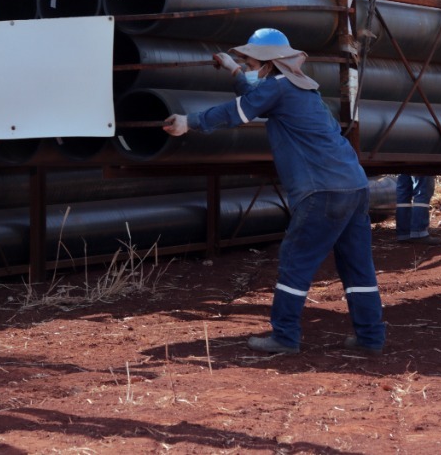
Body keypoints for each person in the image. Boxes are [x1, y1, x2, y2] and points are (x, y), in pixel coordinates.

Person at [163, 28, 386, 355]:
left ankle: (284, 336)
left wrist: (189, 121)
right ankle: (370, 338)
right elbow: (255, 95)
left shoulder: (279, 88)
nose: (251, 67)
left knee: (295, 261)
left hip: (322, 191)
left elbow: (237, 111)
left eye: (252, 62)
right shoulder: (302, 87)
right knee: (357, 266)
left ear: (269, 64)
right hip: (353, 186)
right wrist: (233, 68)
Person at [396, 174, 441, 244]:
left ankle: (404, 234)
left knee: (404, 191)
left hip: (401, 163)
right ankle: (419, 232)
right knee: (422, 189)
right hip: (419, 164)